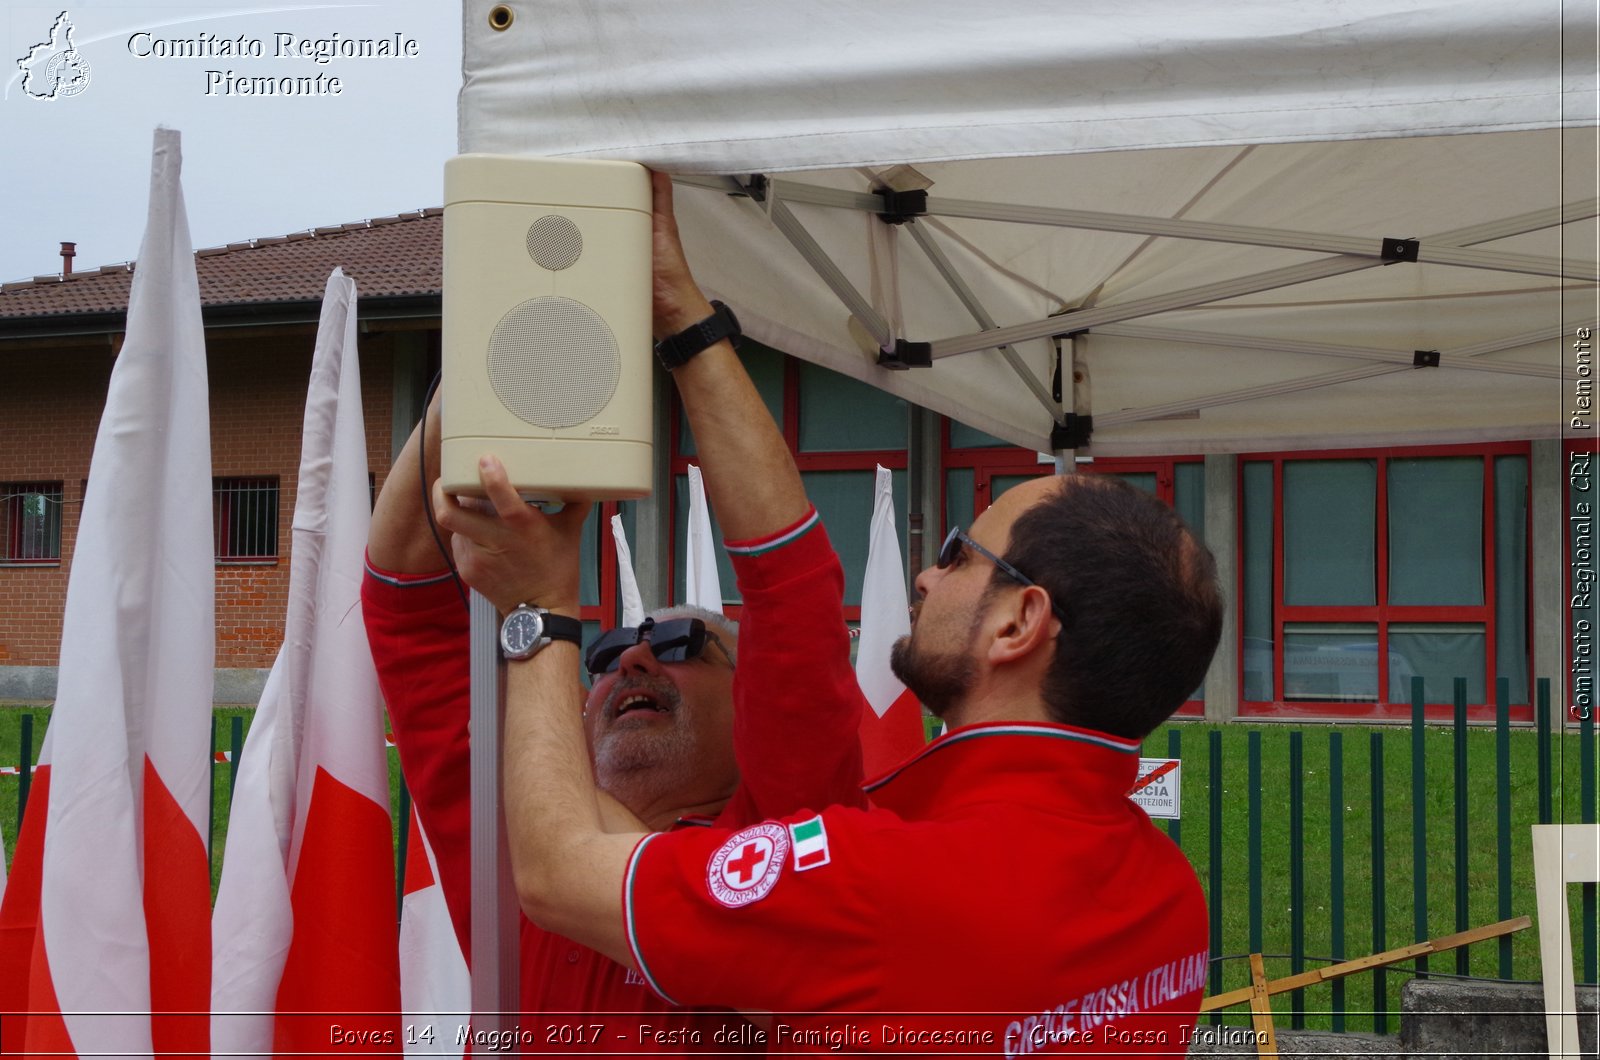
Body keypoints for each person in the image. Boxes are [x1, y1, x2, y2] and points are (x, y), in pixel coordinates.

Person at [433, 174, 1224, 1055]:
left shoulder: (881, 883)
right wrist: (680, 314)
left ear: (1019, 624)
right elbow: (790, 591)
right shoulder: (1165, 893)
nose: (926, 578)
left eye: (962, 553)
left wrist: (539, 608)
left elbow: (554, 876)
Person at [363, 173, 867, 1047]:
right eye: (600, 655)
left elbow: (793, 592)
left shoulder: (782, 854)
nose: (630, 659)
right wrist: (490, 340)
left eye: (680, 642)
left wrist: (678, 313)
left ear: (755, 706)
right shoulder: (517, 838)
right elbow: (404, 602)